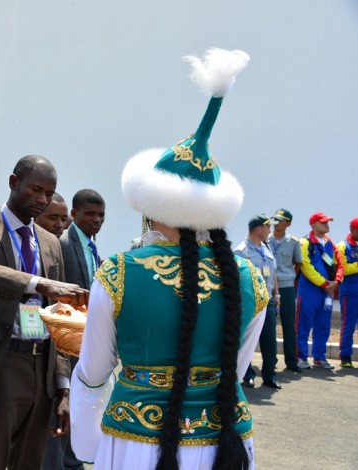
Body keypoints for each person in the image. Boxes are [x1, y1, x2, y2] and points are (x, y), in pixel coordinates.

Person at [71, 48, 266, 469]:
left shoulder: (120, 272)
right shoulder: (249, 278)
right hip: (225, 441)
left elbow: (94, 371)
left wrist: (86, 442)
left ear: (151, 203)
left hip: (138, 441)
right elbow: (233, 368)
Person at [0, 155, 88, 470]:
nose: (42, 199)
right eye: (35, 190)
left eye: (48, 193)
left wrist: (63, 386)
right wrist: (38, 283)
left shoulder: (51, 243)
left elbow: (58, 315)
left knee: (30, 461)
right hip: (2, 361)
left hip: (43, 365)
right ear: (14, 182)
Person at [44, 188, 106, 470]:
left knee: (80, 405)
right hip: (66, 337)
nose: (97, 220)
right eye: (90, 214)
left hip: (86, 340)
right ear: (75, 214)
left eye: (101, 215)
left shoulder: (91, 246)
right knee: (64, 403)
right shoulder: (64, 243)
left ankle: (72, 460)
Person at [234, 214, 282, 390]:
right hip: (250, 302)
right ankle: (247, 375)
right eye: (268, 227)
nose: (270, 231)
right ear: (258, 229)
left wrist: (276, 294)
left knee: (269, 339)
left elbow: (272, 272)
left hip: (267, 300)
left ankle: (269, 375)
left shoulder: (266, 248)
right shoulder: (240, 251)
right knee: (247, 339)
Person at [296, 212, 344, 370]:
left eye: (327, 222)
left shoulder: (330, 243)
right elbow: (306, 267)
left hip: (327, 291)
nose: (327, 225)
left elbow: (339, 264)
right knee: (303, 324)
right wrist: (325, 284)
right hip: (309, 290)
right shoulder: (304, 242)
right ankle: (301, 356)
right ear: (313, 225)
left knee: (323, 324)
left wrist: (337, 282)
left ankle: (319, 357)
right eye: (323, 222)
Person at [269, 209, 303, 372]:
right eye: (275, 220)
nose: (276, 223)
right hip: (268, 286)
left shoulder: (294, 242)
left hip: (287, 286)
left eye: (281, 220)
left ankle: (291, 361)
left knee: (289, 324)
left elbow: (298, 263)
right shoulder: (265, 239)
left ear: (288, 223)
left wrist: (289, 277)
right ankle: (270, 360)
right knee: (269, 325)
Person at [335, 218, 358, 368]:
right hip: (350, 293)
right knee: (348, 325)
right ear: (352, 229)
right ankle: (345, 356)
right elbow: (343, 269)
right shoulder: (342, 246)